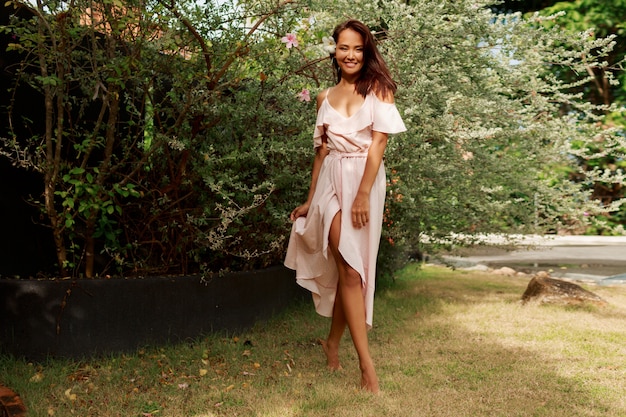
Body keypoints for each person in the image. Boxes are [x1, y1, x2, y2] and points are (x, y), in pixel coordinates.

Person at [284, 19, 406, 394]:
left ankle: (333, 343)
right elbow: (321, 153)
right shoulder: (324, 98)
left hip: (365, 183)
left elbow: (379, 144)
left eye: (357, 48)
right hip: (331, 184)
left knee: (350, 271)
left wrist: (362, 194)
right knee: (350, 271)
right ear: (334, 51)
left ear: (366, 51)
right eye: (343, 47)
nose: (350, 54)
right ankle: (367, 368)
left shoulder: (379, 90)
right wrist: (309, 200)